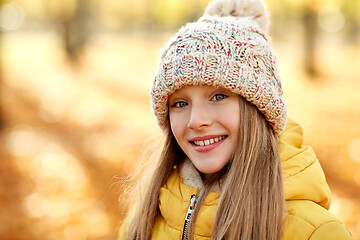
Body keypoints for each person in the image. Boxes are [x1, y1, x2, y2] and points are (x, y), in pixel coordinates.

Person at [118, 0, 353, 239]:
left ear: (259, 108)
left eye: (218, 96)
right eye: (180, 103)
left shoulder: (314, 232)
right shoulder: (146, 217)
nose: (196, 121)